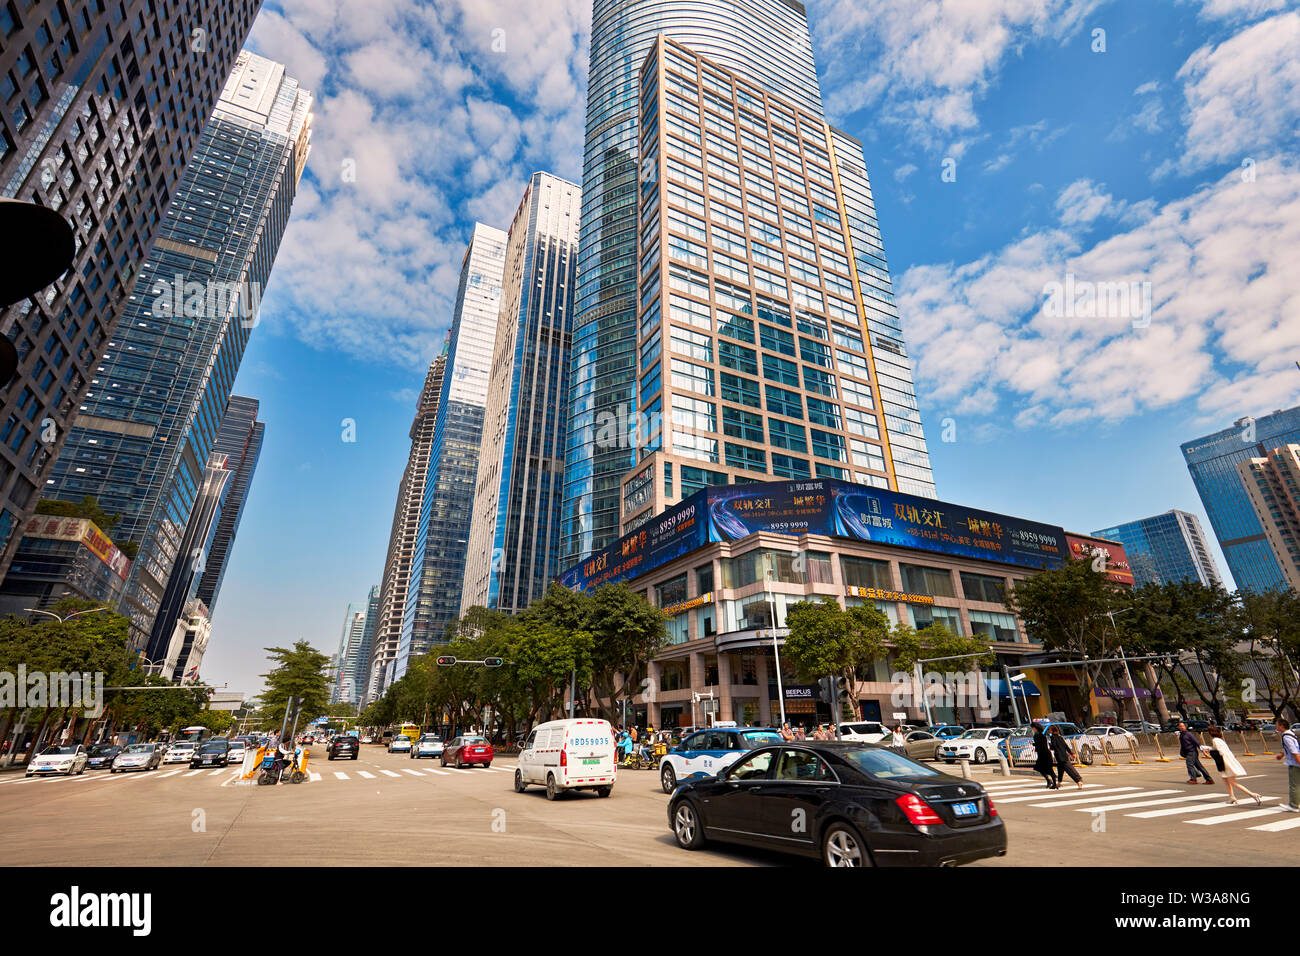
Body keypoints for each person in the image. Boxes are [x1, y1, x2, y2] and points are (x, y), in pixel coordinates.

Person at [1206, 726, 1261, 806]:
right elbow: (1217, 748)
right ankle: (1232, 797)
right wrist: (1208, 748)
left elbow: (1220, 752)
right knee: (1225, 779)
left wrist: (1212, 753)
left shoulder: (1215, 740)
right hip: (1227, 761)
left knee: (1232, 782)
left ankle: (1252, 794)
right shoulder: (1219, 740)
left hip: (1225, 762)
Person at [1276, 717, 1300, 812]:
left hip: (1295, 764)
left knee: (1294, 785)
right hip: (1295, 762)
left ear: (1281, 726)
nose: (1276, 726)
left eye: (1277, 725)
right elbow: (1289, 748)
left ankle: (1294, 805)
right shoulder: (1291, 734)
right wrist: (1281, 755)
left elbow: (1294, 751)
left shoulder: (1286, 736)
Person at [1048, 726, 1082, 790]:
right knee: (1060, 769)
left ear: (1052, 731)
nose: (1049, 731)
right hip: (1064, 755)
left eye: (1050, 730)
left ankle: (1078, 781)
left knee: (1069, 770)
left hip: (1059, 756)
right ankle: (1059, 782)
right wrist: (1071, 753)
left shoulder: (1052, 738)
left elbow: (1054, 746)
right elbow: (1066, 746)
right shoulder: (1060, 737)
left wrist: (1050, 747)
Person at [1032, 724, 1057, 789]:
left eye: (1033, 728)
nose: (1032, 729)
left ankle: (1052, 782)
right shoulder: (1042, 735)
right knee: (1040, 768)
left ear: (1035, 728)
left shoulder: (1037, 736)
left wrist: (1034, 744)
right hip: (1044, 753)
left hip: (1043, 754)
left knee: (1046, 769)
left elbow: (1040, 744)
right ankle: (1050, 781)